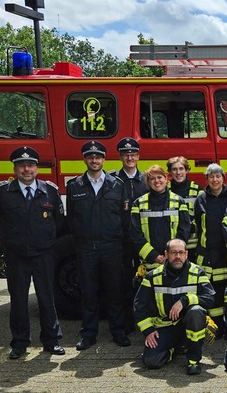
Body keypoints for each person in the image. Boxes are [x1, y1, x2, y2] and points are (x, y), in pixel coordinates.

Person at [0, 146, 65, 360]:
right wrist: (11, 239)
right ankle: (20, 343)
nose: (26, 169)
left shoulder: (50, 191)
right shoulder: (2, 192)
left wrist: (45, 240)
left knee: (47, 298)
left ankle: (51, 341)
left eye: (30, 165)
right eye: (22, 166)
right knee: (19, 300)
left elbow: (58, 221)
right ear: (15, 169)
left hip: (44, 254)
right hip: (16, 255)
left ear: (37, 168)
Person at [66, 140, 131, 350]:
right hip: (86, 248)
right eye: (90, 157)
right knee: (89, 293)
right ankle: (88, 334)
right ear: (85, 159)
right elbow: (71, 219)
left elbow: (123, 216)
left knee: (115, 291)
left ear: (104, 159)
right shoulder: (74, 185)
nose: (94, 160)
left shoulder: (117, 184)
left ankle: (118, 331)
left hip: (111, 247)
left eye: (98, 157)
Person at [134, 239, 215, 374]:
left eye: (181, 253)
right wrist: (148, 330)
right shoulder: (152, 276)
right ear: (166, 254)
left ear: (186, 254)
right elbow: (139, 305)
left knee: (196, 311)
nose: (177, 256)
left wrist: (185, 300)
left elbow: (210, 298)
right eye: (173, 253)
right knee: (151, 361)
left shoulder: (198, 273)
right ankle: (177, 349)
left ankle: (193, 360)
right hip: (165, 326)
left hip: (188, 324)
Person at [194, 163, 227, 336]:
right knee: (211, 290)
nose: (215, 179)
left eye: (218, 176)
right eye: (211, 176)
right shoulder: (201, 199)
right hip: (208, 254)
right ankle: (216, 327)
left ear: (223, 178)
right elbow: (198, 226)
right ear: (206, 179)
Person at [111, 137, 149, 333]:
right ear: (120, 156)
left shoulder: (147, 181)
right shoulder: (113, 181)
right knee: (123, 282)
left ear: (138, 156)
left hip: (144, 241)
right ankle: (125, 324)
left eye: (133, 154)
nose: (130, 157)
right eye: (126, 154)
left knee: (146, 281)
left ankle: (146, 321)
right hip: (122, 240)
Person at [130, 165, 191, 273]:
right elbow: (135, 234)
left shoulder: (178, 201)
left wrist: (172, 254)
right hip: (150, 263)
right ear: (148, 182)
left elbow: (185, 229)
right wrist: (154, 256)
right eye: (152, 179)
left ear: (166, 179)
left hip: (174, 262)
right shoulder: (138, 204)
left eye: (159, 177)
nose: (156, 181)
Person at [167, 156, 203, 262]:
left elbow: (202, 216)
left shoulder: (197, 189)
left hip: (193, 243)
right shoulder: (165, 190)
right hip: (172, 243)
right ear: (170, 171)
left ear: (187, 170)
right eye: (174, 169)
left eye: (181, 169)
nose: (178, 173)